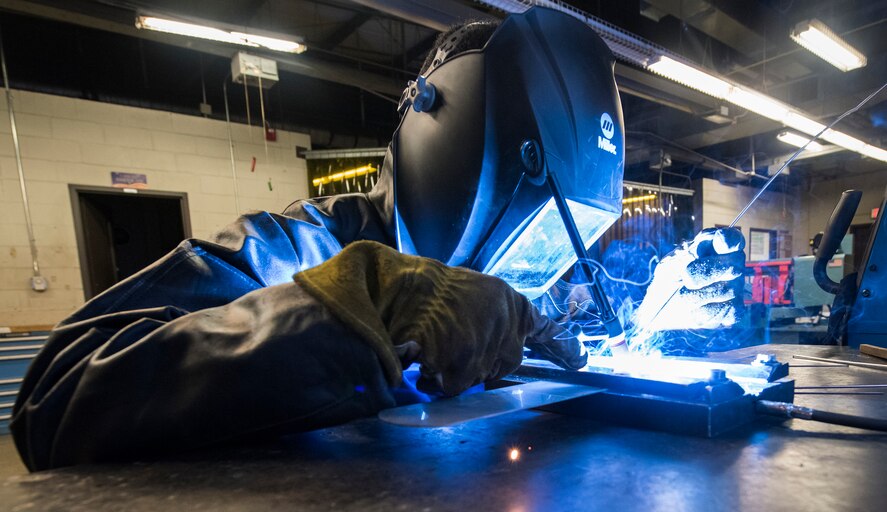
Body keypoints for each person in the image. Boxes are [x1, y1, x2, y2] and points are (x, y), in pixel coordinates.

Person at [11, 7, 744, 471]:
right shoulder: (294, 248)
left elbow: (548, 332)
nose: (534, 266)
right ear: (450, 153)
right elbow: (52, 397)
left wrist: (650, 310)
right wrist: (362, 304)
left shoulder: (501, 285)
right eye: (533, 229)